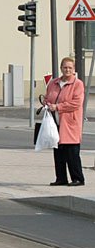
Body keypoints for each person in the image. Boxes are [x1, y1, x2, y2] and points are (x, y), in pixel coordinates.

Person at [43, 56, 86, 186]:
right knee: (59, 151)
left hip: (70, 123)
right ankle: (61, 178)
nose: (67, 70)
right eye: (65, 67)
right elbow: (48, 97)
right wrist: (46, 104)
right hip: (55, 122)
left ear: (74, 70)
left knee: (72, 152)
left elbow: (76, 103)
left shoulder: (77, 84)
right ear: (61, 68)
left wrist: (58, 107)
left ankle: (78, 178)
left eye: (70, 68)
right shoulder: (54, 83)